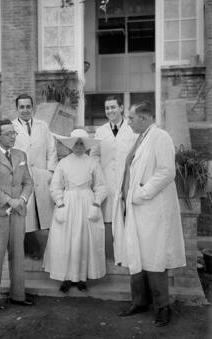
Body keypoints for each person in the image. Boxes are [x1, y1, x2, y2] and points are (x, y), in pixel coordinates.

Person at [118, 101, 186, 327]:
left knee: (155, 259)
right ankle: (139, 302)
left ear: (145, 118)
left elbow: (167, 171)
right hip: (136, 209)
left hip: (152, 209)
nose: (128, 121)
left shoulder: (160, 137)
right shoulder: (140, 138)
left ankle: (163, 307)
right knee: (136, 256)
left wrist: (142, 193)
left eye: (131, 117)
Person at [0, 119, 34, 318]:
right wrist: (10, 201)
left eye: (14, 133)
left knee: (18, 256)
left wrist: (22, 199)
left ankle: (18, 296)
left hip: (18, 214)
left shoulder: (21, 155)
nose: (13, 136)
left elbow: (28, 182)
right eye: (9, 133)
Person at [43, 129, 107, 292]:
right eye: (76, 143)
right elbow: (55, 186)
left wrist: (96, 204)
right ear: (71, 145)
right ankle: (66, 277)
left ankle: (81, 278)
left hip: (86, 202)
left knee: (84, 241)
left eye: (82, 143)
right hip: (68, 203)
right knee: (66, 241)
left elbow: (101, 186)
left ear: (86, 146)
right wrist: (60, 204)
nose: (79, 146)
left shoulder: (93, 162)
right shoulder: (63, 163)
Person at [90, 95, 137, 264]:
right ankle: (110, 256)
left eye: (113, 107)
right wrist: (97, 176)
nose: (110, 111)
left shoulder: (132, 130)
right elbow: (94, 155)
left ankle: (127, 255)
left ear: (121, 108)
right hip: (106, 181)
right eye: (107, 108)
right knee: (108, 218)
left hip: (126, 181)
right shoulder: (100, 131)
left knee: (127, 218)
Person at [12, 94, 58, 257]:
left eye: (28, 106)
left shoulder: (42, 126)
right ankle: (32, 249)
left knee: (45, 213)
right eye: (21, 107)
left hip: (41, 175)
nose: (25, 110)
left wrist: (50, 172)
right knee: (26, 215)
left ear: (33, 108)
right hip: (22, 178)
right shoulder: (11, 128)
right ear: (17, 109)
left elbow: (51, 149)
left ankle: (50, 251)